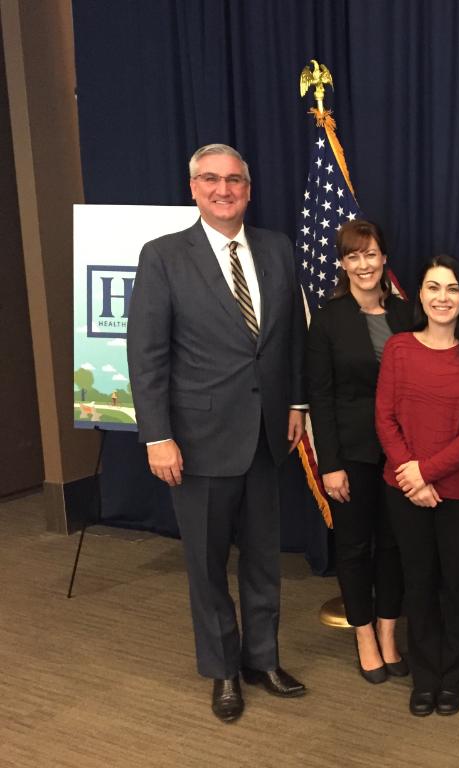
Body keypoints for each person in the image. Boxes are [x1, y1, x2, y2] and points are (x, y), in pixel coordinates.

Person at [126, 143, 307, 723]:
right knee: (207, 567)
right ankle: (223, 669)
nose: (223, 189)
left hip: (267, 436)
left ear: (248, 190)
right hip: (197, 441)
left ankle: (263, 659)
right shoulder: (163, 256)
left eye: (234, 180)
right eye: (211, 179)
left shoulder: (277, 248)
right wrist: (157, 436)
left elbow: (290, 339)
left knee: (263, 559)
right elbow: (146, 354)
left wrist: (297, 402)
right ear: (193, 188)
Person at [374, 254, 459, 717]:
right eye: (433, 287)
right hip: (404, 489)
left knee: (458, 586)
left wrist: (426, 472)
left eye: (451, 288)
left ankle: (454, 676)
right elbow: (385, 418)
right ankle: (426, 676)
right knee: (419, 583)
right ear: (420, 295)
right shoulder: (399, 348)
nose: (442, 297)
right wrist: (412, 474)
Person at [305, 220, 412, 684]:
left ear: (384, 258)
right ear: (343, 263)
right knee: (353, 546)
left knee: (393, 545)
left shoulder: (407, 314)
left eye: (371, 254)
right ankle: (364, 635)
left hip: (402, 453)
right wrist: (329, 464)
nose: (364, 264)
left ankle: (388, 632)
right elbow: (321, 396)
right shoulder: (329, 319)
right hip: (351, 453)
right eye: (354, 256)